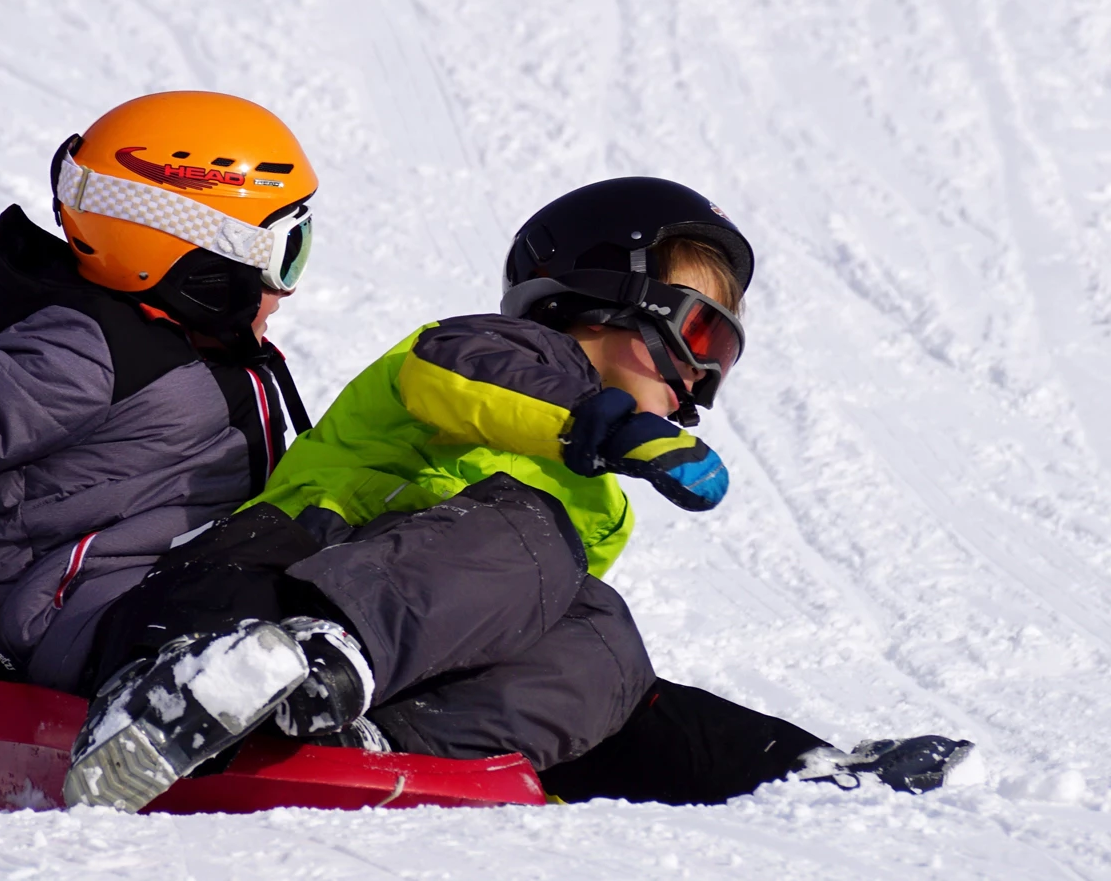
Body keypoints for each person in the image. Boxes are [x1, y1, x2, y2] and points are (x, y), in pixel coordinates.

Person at [64, 177, 972, 812]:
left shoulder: (596, 506)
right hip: (252, 593)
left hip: (378, 677)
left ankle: (366, 739)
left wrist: (786, 760)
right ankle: (274, 666)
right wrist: (595, 419)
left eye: (723, 357)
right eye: (699, 331)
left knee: (602, 643)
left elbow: (620, 700)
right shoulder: (499, 357)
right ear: (603, 299)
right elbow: (479, 378)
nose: (701, 377)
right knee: (535, 540)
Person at [0, 90, 320, 740]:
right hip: (76, 616)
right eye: (288, 251)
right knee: (255, 610)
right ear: (196, 252)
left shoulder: (196, 342)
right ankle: (196, 714)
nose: (288, 289)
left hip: (177, 578)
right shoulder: (82, 354)